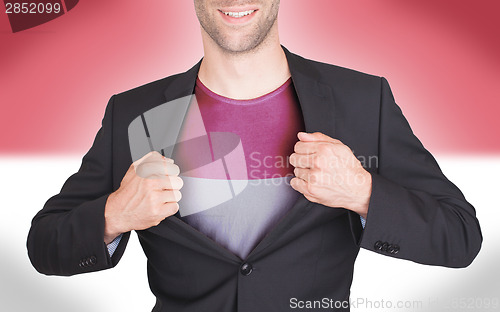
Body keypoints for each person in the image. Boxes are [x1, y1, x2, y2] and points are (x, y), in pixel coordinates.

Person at [27, 1, 482, 311]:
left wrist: (363, 192)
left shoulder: (362, 100)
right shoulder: (135, 112)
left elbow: (460, 236)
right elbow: (45, 246)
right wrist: (114, 214)